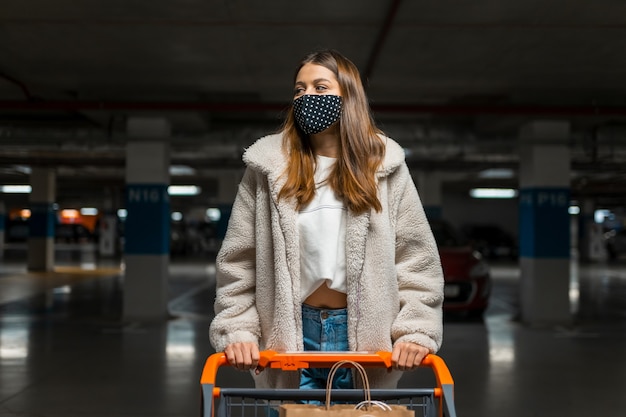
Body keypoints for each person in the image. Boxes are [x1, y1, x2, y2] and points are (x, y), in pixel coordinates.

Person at [209, 49, 444, 390]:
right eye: (299, 90)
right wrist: (238, 331)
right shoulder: (267, 168)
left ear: (348, 96)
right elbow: (238, 263)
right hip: (288, 340)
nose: (307, 97)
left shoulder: (385, 167)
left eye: (320, 88)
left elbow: (417, 260)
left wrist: (416, 331)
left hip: (366, 341)